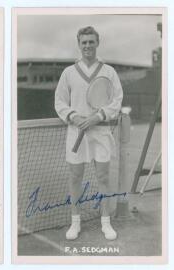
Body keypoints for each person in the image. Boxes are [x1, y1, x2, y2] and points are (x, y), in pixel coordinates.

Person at [54, 26, 123, 240]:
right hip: (76, 132)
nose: (87, 46)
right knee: (75, 177)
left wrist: (97, 116)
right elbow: (59, 101)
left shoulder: (109, 71)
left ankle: (106, 223)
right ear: (79, 44)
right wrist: (74, 117)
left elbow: (117, 100)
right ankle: (75, 222)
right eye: (84, 42)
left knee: (103, 177)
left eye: (91, 42)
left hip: (101, 132)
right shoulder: (68, 72)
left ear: (97, 43)